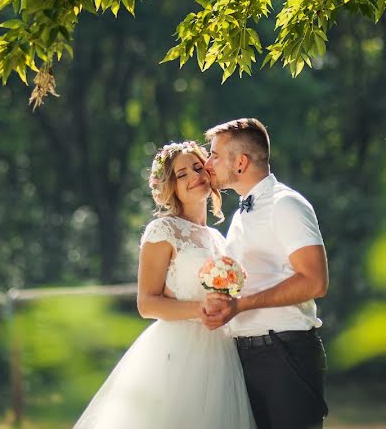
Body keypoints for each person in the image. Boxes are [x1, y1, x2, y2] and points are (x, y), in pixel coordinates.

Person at [73, 141, 256, 429]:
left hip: (221, 353)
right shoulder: (163, 231)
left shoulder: (218, 239)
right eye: (182, 174)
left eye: (198, 167)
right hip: (177, 354)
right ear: (170, 186)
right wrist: (202, 309)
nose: (194, 175)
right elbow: (146, 303)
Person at [201, 118, 330, 429]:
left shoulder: (286, 205)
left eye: (215, 154)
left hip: (284, 355)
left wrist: (242, 306)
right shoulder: (242, 214)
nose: (208, 163)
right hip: (242, 357)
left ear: (241, 162)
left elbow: (315, 281)